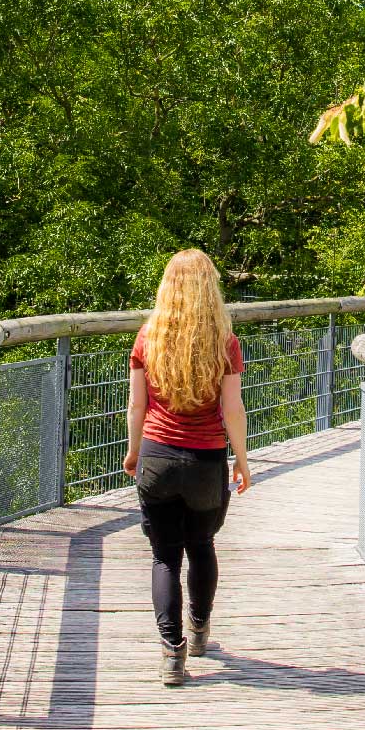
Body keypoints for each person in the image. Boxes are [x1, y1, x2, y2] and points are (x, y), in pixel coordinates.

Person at [123, 249, 251, 686]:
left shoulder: (148, 337)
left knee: (163, 557)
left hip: (156, 456)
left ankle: (172, 656)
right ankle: (199, 631)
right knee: (201, 546)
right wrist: (242, 460)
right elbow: (233, 409)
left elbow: (137, 404)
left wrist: (134, 451)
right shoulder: (224, 343)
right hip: (205, 461)